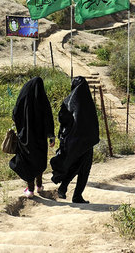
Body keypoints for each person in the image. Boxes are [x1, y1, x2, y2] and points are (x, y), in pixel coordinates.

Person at [50, 76, 99, 204]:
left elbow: (62, 119)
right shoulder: (88, 103)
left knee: (75, 165)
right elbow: (93, 124)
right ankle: (76, 195)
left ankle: (63, 187)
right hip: (86, 142)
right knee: (84, 169)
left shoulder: (68, 101)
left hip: (72, 142)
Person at [9, 77, 55, 198]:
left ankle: (30, 190)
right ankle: (39, 186)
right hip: (40, 138)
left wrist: (22, 125)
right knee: (39, 160)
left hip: (25, 137)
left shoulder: (23, 97)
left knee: (26, 161)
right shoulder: (43, 100)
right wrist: (51, 136)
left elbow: (15, 114)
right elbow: (48, 118)